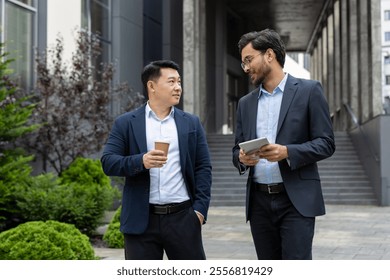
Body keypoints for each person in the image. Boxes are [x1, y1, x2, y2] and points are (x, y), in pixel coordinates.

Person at [232, 29, 335, 260]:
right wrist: (241, 158)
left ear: (269, 55)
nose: (246, 68)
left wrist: (287, 151)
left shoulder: (309, 91)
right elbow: (235, 148)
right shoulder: (246, 104)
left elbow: (327, 143)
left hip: (296, 201)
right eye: (243, 63)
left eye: (249, 60)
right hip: (258, 203)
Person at [101, 60, 212, 260]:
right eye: (171, 82)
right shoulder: (126, 123)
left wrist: (200, 211)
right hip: (140, 221)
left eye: (179, 82)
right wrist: (141, 161)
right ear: (151, 86)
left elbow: (203, 167)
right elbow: (108, 162)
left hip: (184, 218)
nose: (178, 87)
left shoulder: (191, 123)